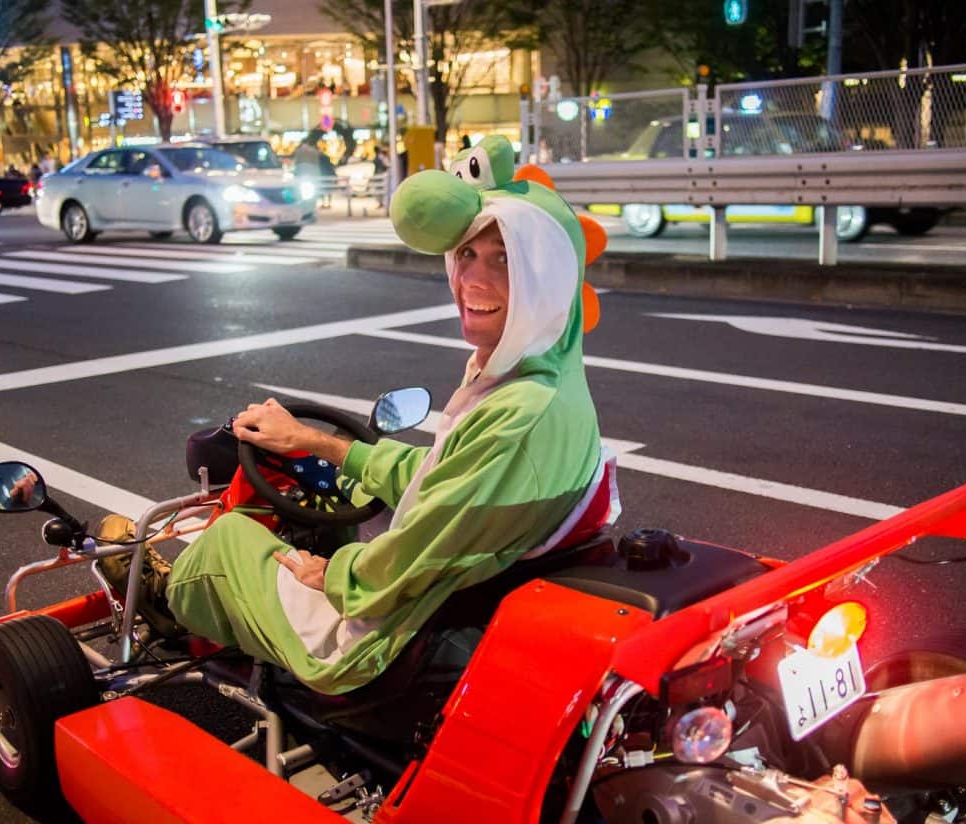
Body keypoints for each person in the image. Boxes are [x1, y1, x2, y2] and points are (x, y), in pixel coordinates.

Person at [101, 134, 611, 695]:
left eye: (505, 260)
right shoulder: (544, 377)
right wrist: (322, 445)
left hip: (375, 643)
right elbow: (444, 484)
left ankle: (164, 608)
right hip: (456, 609)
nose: (474, 280)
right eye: (467, 253)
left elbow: (414, 554)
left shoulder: (522, 414)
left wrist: (335, 575)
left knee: (227, 542)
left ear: (550, 279)